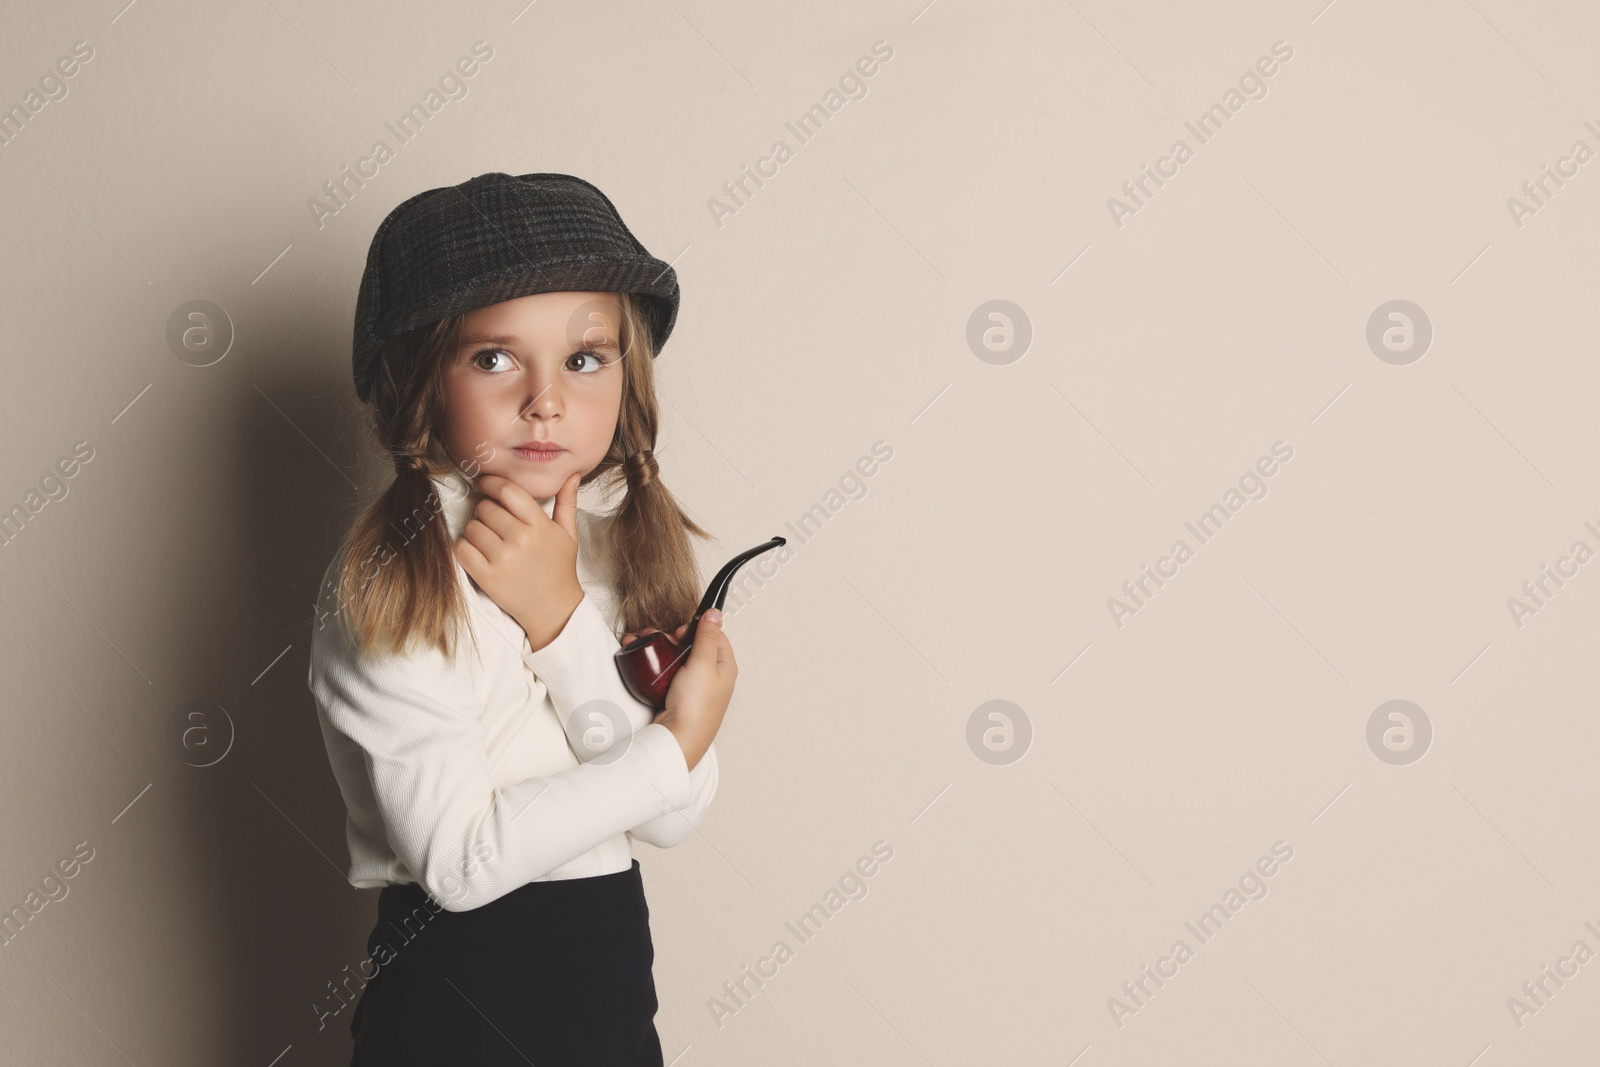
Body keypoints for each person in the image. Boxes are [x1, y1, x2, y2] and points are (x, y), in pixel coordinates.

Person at [306, 172, 736, 1066]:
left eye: (584, 358)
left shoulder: (612, 557)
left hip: (608, 1006)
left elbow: (673, 811)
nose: (547, 398)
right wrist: (671, 743)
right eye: (494, 357)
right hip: (454, 1017)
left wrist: (562, 620)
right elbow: (459, 864)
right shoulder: (392, 582)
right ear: (419, 380)